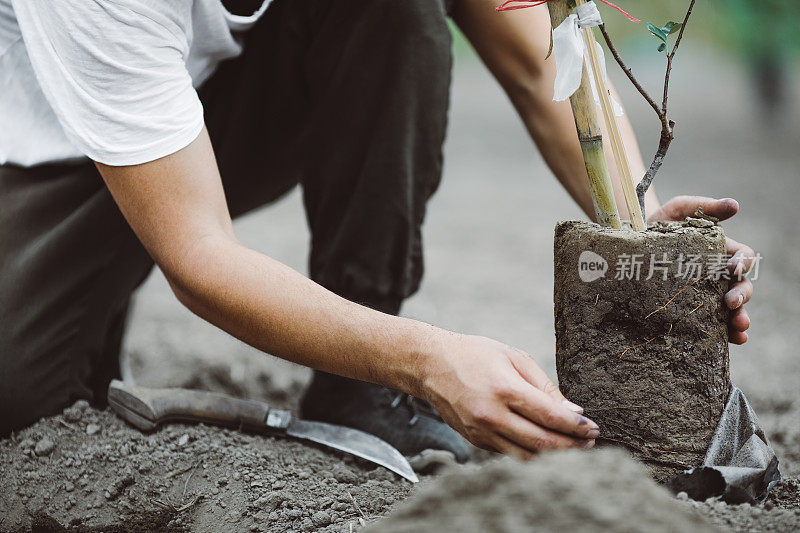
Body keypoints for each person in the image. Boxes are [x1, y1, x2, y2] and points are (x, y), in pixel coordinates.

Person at [0, 0, 755, 463]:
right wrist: (425, 359)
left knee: (396, 10)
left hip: (209, 109)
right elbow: (198, 254)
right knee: (20, 400)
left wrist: (640, 228)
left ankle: (353, 386)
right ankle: (86, 290)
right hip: (48, 159)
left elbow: (536, 72)